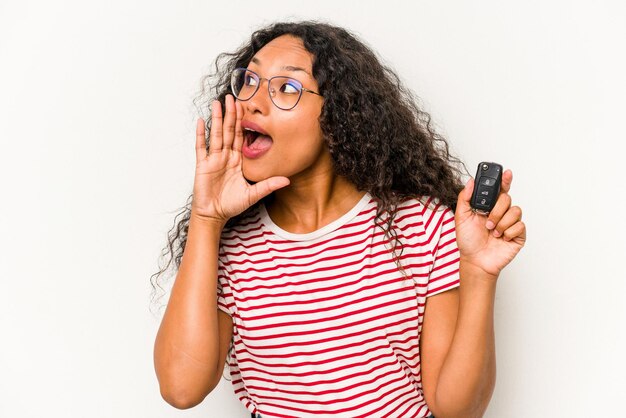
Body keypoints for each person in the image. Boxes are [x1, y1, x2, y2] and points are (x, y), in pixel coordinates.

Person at [152, 20, 526, 418]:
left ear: (338, 113)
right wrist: (206, 218)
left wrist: (479, 273)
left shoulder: (421, 225)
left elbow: (458, 410)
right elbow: (180, 388)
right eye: (248, 81)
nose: (251, 102)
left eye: (286, 88)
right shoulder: (229, 245)